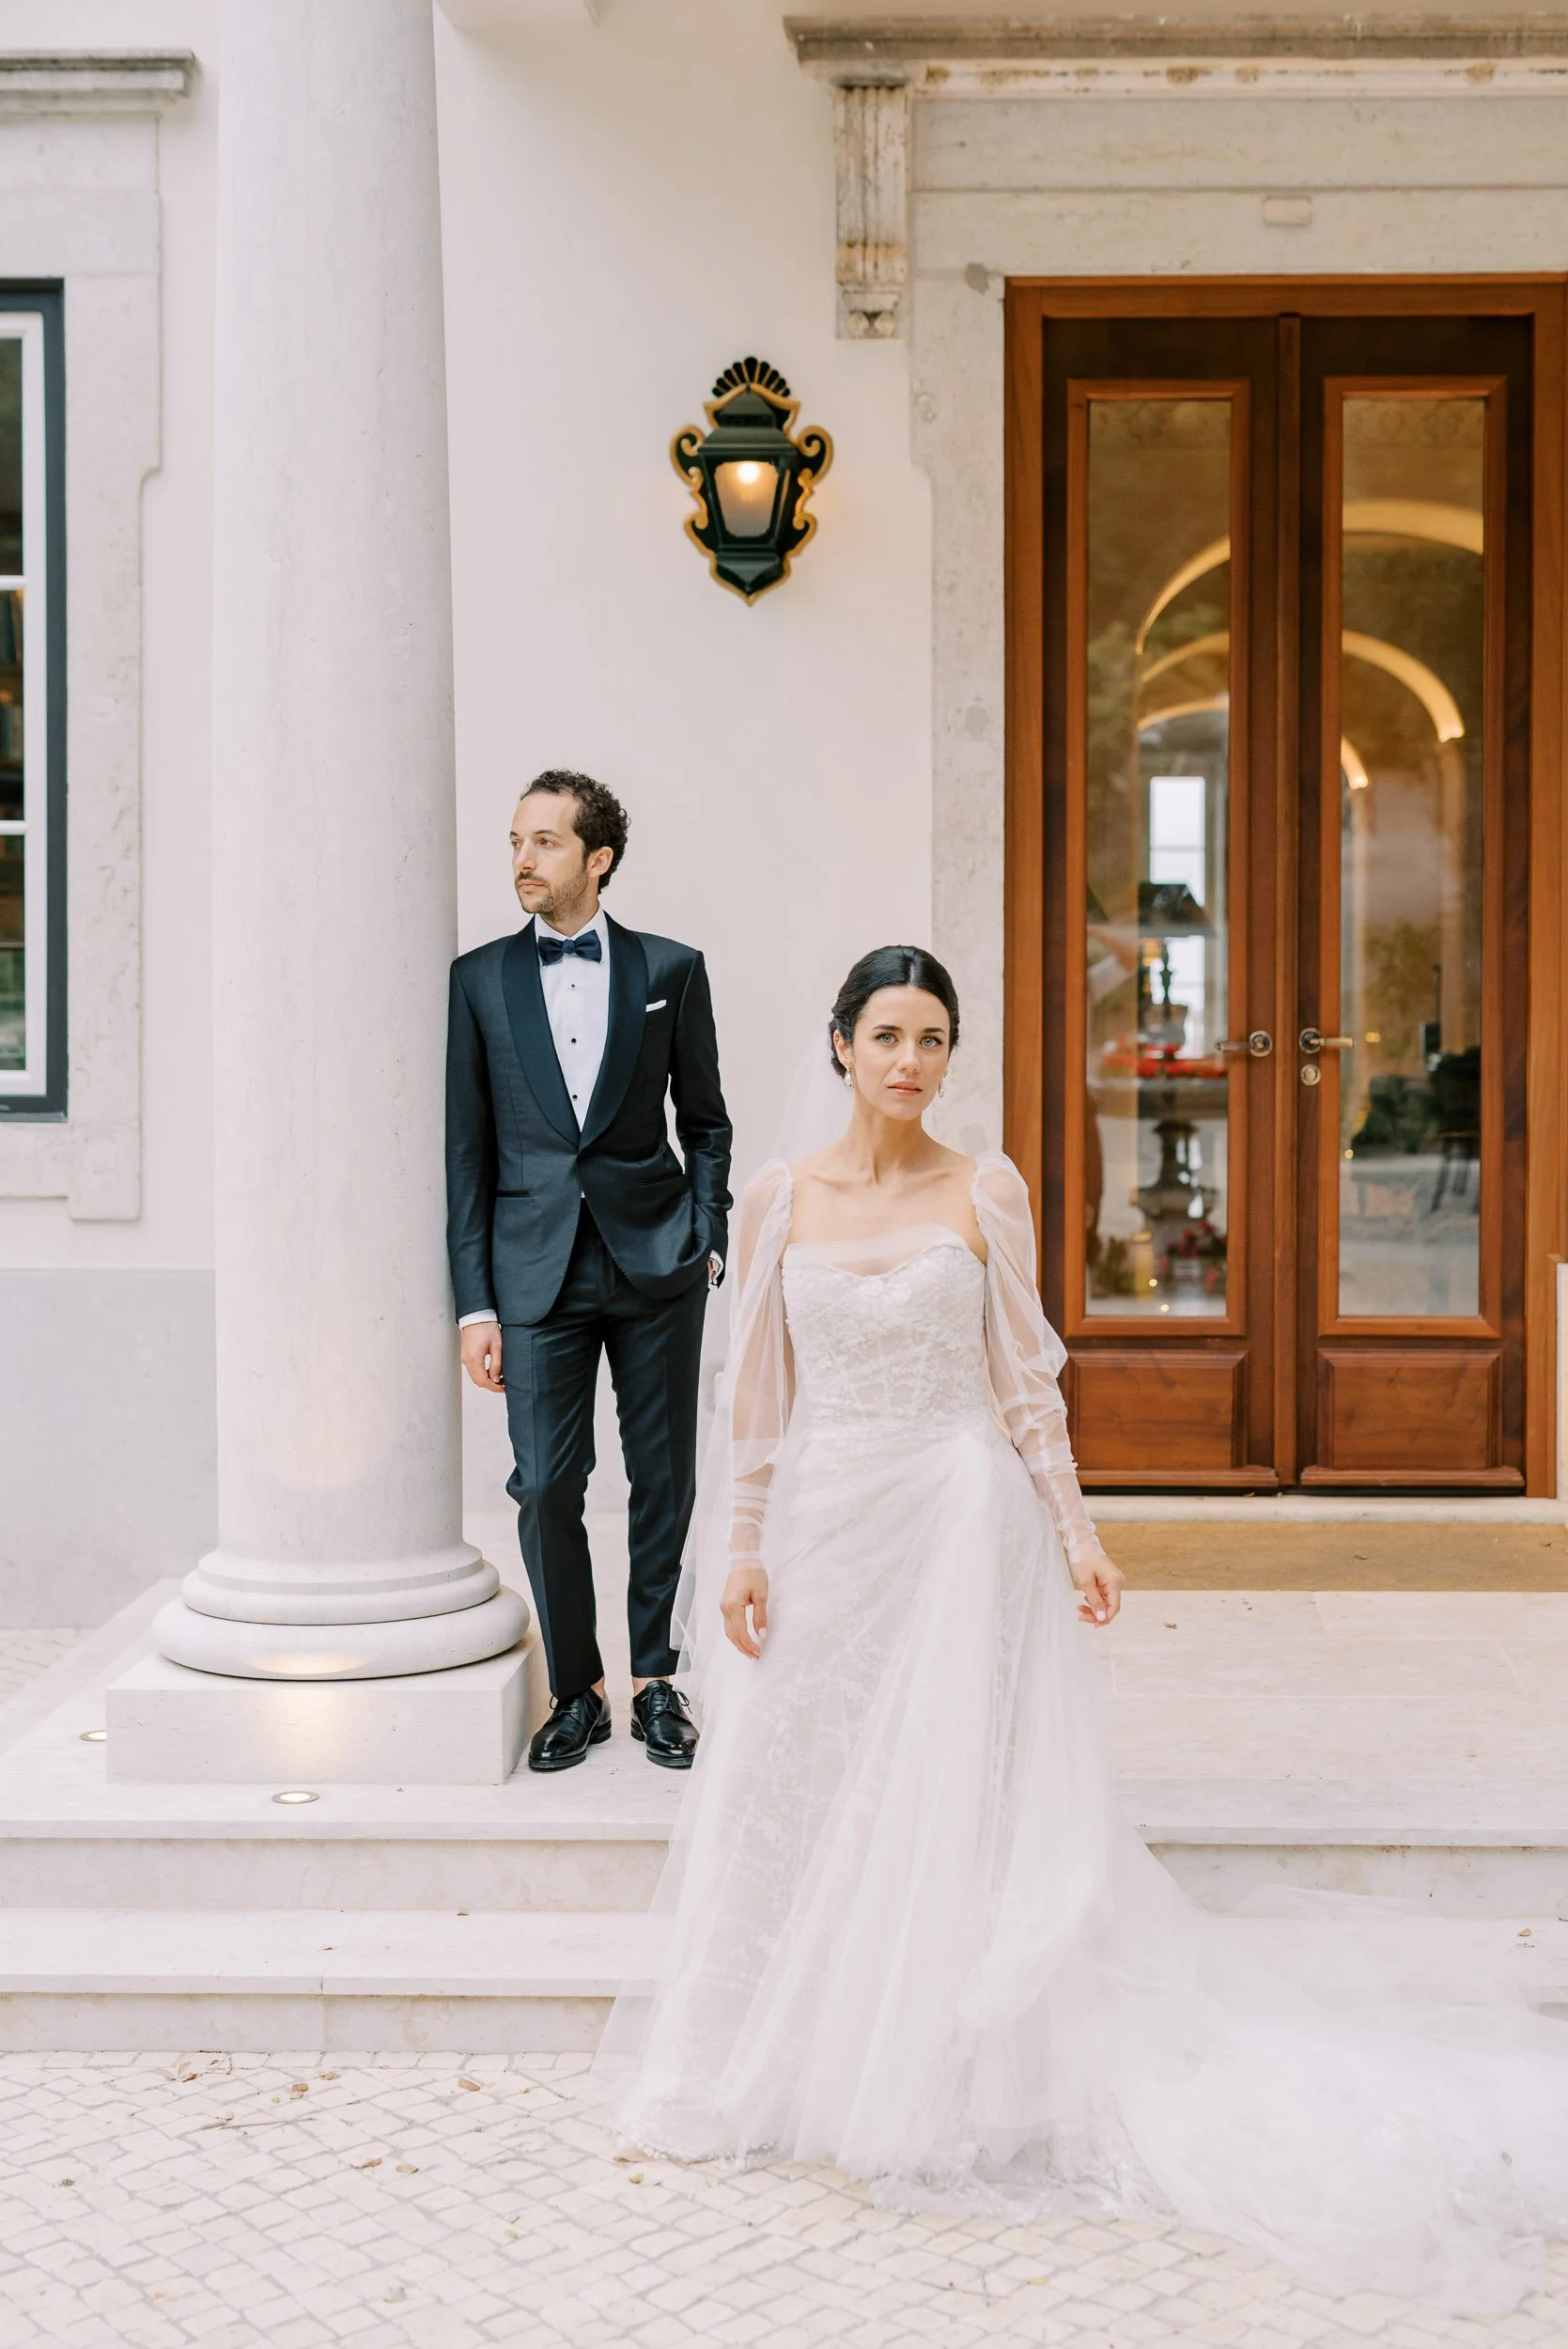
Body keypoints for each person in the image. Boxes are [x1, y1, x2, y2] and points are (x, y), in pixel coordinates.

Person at [604, 943, 1568, 2313]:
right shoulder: (776, 1201)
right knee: (792, 1786)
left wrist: (1076, 1529)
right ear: (837, 1046)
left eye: (934, 1037)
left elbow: (1025, 1377)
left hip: (956, 1521)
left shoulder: (982, 1188)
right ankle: (758, 2057)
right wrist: (744, 1550)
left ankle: (937, 2069)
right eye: (885, 1034)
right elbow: (755, 1396)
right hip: (829, 1523)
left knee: (951, 1794)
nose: (910, 1062)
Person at [444, 770, 732, 1773]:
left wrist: (709, 1234)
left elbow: (705, 1122)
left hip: (655, 1262)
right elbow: (467, 1153)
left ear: (597, 857)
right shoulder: (476, 980)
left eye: (545, 842)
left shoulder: (671, 968)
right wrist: (473, 1302)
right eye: (516, 840)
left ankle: (657, 1677)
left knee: (664, 1478)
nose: (522, 860)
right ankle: (579, 1686)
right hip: (532, 1277)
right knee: (545, 1484)